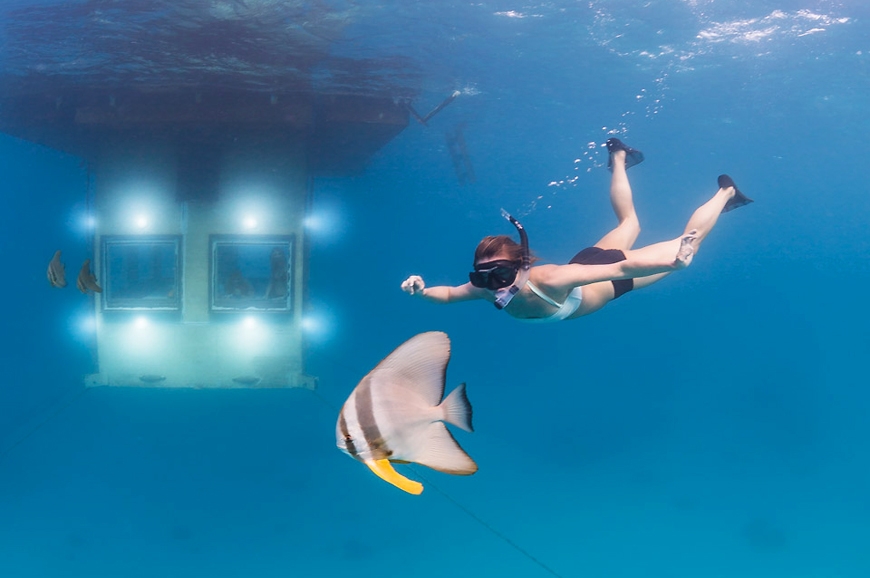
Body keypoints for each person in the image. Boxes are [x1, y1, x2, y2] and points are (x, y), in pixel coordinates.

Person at [400, 138, 752, 322]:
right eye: (484, 278)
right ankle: (618, 157)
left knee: (687, 242)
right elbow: (446, 295)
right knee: (630, 223)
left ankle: (727, 193)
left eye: (501, 274)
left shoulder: (550, 278)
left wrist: (672, 263)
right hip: (585, 264)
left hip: (609, 278)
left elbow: (620, 268)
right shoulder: (488, 290)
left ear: (522, 265)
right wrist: (421, 291)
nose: (495, 286)